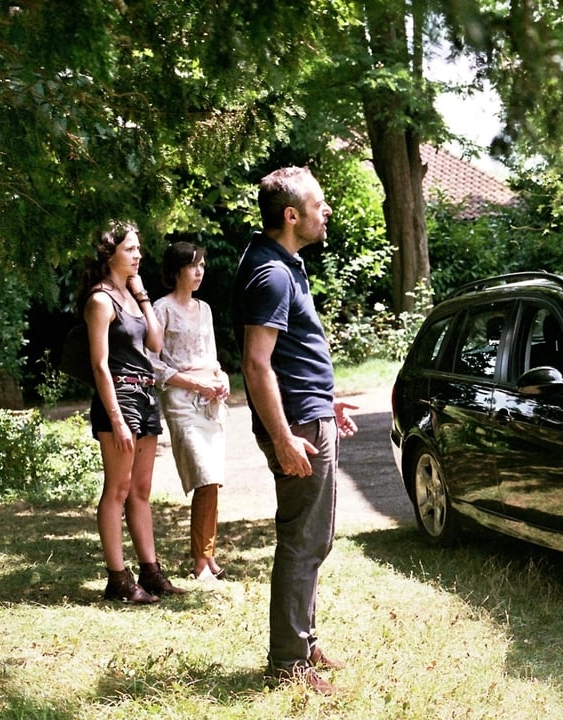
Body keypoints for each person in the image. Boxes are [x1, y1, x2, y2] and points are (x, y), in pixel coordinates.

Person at [233, 166, 358, 695]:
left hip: (310, 413)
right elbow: (257, 364)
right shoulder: (271, 274)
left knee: (313, 538)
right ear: (291, 215)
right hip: (297, 426)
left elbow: (286, 357)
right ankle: (288, 660)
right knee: (303, 540)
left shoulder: (285, 264)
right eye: (318, 204)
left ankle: (303, 643)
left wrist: (325, 400)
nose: (325, 211)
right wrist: (283, 435)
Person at [79, 219, 188, 604]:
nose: (138, 254)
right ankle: (118, 580)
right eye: (130, 249)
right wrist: (116, 418)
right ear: (110, 254)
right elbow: (100, 366)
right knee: (118, 489)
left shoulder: (129, 297)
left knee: (141, 491)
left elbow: (155, 345)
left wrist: (142, 296)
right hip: (120, 397)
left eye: (139, 248)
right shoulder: (100, 300)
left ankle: (151, 572)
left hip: (145, 394)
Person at [150, 242, 230, 582]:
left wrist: (222, 378)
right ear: (177, 270)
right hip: (182, 401)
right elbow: (152, 364)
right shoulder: (161, 309)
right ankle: (200, 560)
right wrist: (195, 385)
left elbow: (210, 355)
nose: (199, 271)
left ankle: (206, 557)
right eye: (193, 265)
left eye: (202, 265)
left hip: (211, 401)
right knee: (203, 474)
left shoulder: (206, 309)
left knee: (212, 481)